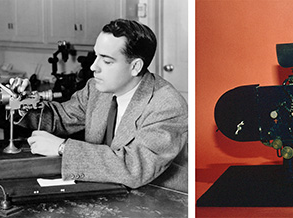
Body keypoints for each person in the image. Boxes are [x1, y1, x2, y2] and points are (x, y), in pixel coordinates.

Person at [11, 19, 188, 191]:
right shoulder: (96, 90)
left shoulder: (167, 105)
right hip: (109, 190)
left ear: (135, 66)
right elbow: (59, 119)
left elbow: (134, 168)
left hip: (158, 199)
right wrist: (22, 101)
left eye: (107, 60)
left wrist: (62, 147)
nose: (94, 67)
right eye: (96, 56)